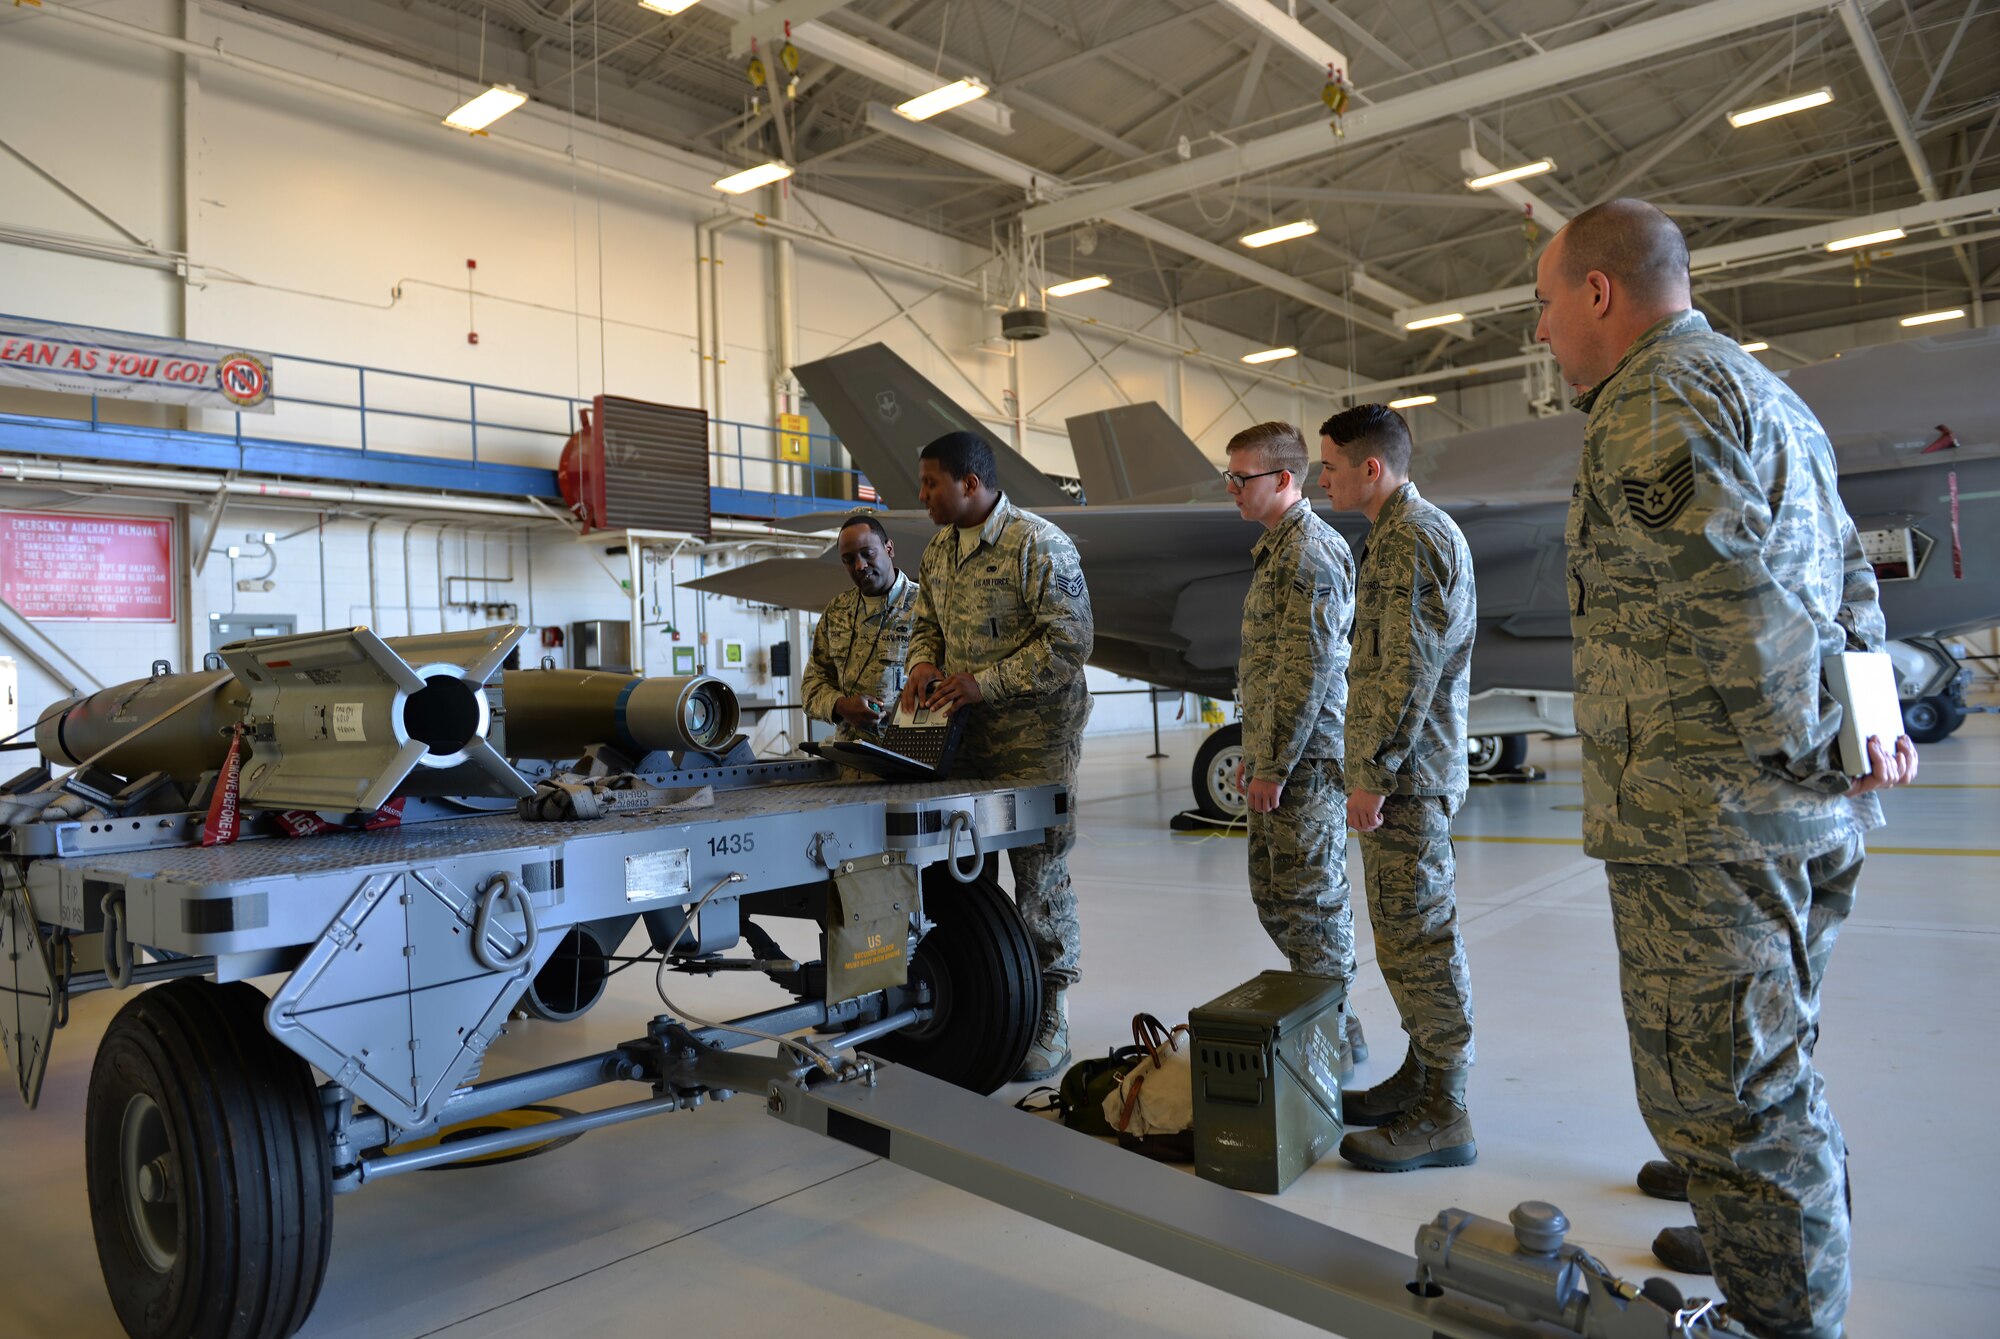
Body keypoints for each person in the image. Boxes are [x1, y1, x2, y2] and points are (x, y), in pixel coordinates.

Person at [1534, 198, 1918, 1339]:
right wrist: (1856, 733)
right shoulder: (1771, 396)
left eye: (1547, 305)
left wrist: (1809, 741)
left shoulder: (1648, 402)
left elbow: (1736, 606)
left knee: (1730, 1096)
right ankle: (1768, 1242)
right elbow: (1853, 582)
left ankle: (1787, 1317)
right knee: (1772, 1063)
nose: (1545, 332)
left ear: (1599, 292)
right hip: (1786, 811)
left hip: (1706, 819)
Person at [897, 430, 1094, 1083]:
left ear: (970, 484)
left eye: (931, 483)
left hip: (1033, 742)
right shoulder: (940, 551)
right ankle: (988, 996)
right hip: (963, 742)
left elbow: (1069, 645)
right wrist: (923, 659)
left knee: (1039, 879)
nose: (922, 495)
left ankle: (1052, 1015)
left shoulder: (1038, 545)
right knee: (965, 874)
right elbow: (926, 620)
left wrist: (988, 683)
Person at [1316, 404, 1479, 1172]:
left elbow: (1404, 670)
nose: (1324, 478)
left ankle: (1446, 1109)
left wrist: (1372, 772)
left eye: (1331, 466)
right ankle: (1422, 1075)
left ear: (1370, 468)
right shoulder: (1396, 536)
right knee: (1404, 939)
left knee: (1422, 937)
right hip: (1403, 774)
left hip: (1408, 778)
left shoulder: (1414, 538)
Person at [1225, 421, 1364, 1068]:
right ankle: (1331, 1021)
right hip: (1279, 756)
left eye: (1241, 477)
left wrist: (1274, 764)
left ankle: (1334, 1038)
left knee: (1311, 904)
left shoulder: (1310, 552)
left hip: (1304, 762)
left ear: (1283, 480)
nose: (1232, 488)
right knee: (1276, 896)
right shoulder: (1278, 550)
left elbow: (1306, 670)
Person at [801, 513, 920, 756]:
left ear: (889, 549)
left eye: (868, 554)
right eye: (848, 559)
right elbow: (812, 686)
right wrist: (841, 706)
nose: (860, 566)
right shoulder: (836, 612)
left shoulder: (926, 607)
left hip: (908, 762)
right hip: (851, 766)